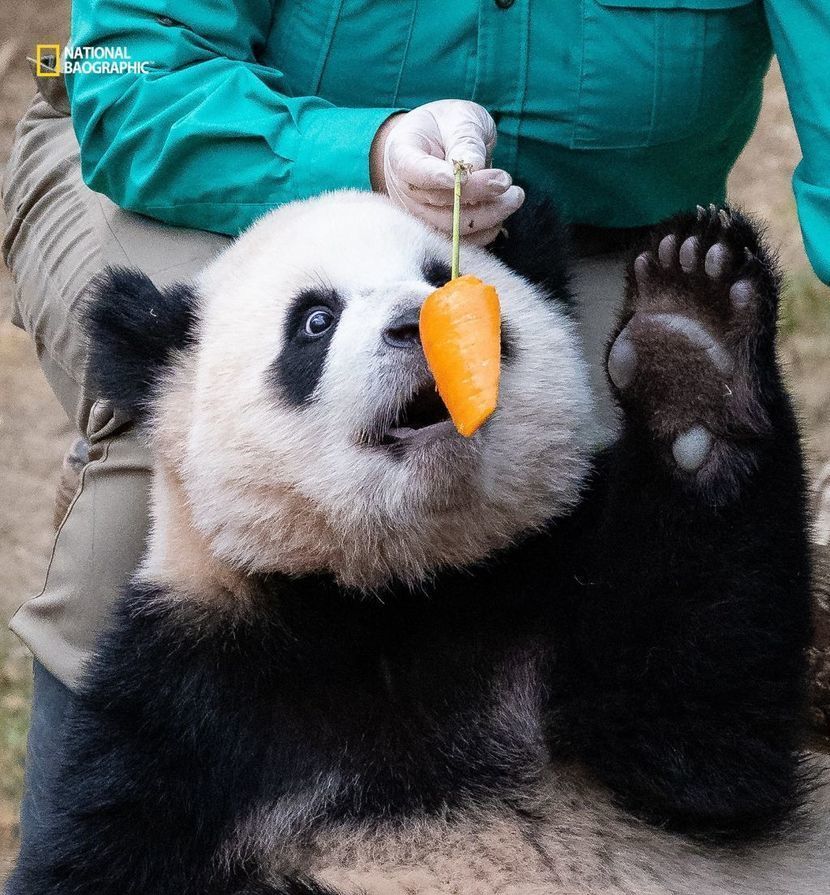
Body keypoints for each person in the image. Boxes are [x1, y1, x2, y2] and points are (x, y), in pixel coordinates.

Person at [3, 0, 829, 850]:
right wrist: (364, 152)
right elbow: (131, 72)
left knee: (613, 494)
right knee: (172, 484)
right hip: (193, 173)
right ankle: (89, 872)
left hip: (579, 234)